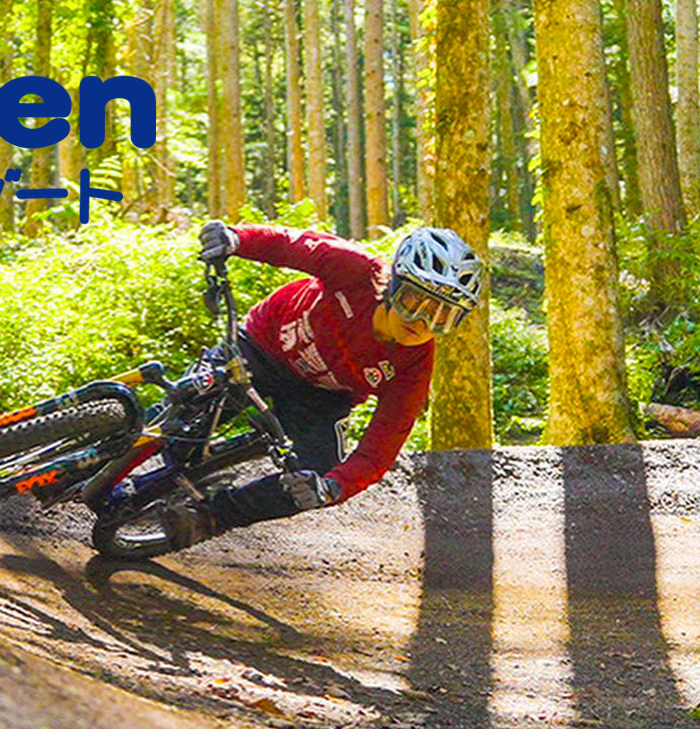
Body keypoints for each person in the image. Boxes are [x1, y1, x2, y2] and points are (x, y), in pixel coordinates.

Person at [164, 220, 483, 549]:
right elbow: (292, 243)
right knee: (186, 405)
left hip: (320, 396)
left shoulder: (414, 366)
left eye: (442, 316)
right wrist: (237, 238)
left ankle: (212, 517)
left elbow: (379, 451)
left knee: (318, 474)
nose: (423, 322)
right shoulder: (358, 272)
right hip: (263, 345)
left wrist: (333, 487)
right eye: (415, 302)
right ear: (394, 285)